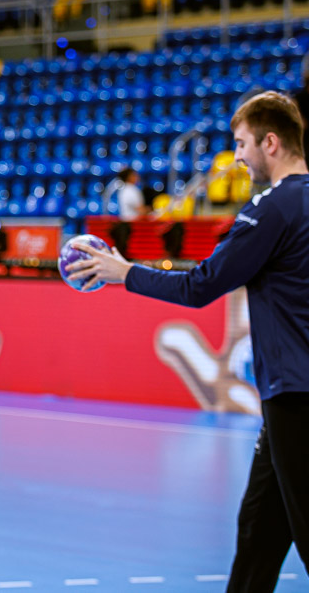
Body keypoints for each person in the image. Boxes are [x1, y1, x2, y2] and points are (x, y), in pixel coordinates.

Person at [66, 91, 309, 592]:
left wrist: (123, 272)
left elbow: (201, 285)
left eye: (241, 144)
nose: (237, 157)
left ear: (270, 142)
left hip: (295, 394)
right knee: (260, 528)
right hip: (287, 395)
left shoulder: (273, 208)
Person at [110, 166, 148, 258]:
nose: (137, 177)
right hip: (133, 225)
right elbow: (140, 210)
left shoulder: (123, 190)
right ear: (129, 177)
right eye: (134, 175)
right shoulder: (132, 190)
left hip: (127, 222)